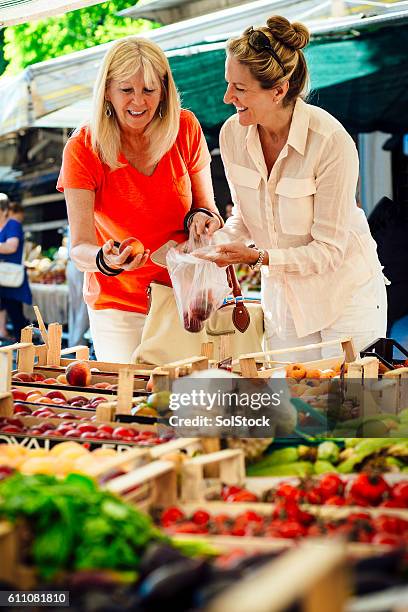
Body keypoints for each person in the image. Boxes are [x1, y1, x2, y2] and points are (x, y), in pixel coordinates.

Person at [196, 16, 387, 362]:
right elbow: (246, 216)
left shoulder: (330, 141)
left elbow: (329, 250)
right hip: (284, 300)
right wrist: (213, 242)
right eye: (228, 84)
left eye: (239, 88)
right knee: (293, 408)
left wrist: (258, 257)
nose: (227, 97)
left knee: (347, 411)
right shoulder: (232, 135)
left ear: (279, 90)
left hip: (345, 297)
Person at [57, 37, 222, 363]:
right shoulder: (83, 147)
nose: (138, 101)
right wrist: (107, 260)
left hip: (182, 299)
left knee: (183, 402)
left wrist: (203, 221)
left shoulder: (185, 129)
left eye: (148, 90)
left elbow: (207, 208)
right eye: (126, 90)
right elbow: (79, 249)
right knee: (128, 405)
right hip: (117, 307)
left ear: (164, 90)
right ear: (107, 90)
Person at [0, 193, 32, 342]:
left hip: (11, 276)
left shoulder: (13, 224)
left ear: (5, 210)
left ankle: (24, 345)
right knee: (7, 309)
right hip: (3, 276)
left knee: (15, 312)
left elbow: (11, 247)